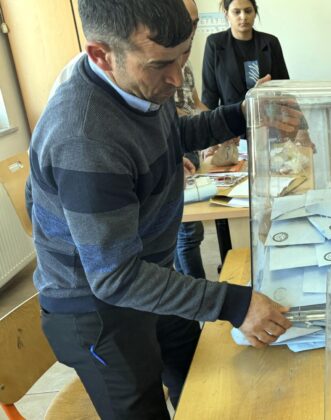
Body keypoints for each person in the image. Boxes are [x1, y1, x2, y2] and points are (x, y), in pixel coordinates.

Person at [26, 1, 299, 417]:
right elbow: (115, 278)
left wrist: (242, 114)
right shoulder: (84, 136)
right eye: (159, 65)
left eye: (184, 56)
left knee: (206, 376)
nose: (176, 78)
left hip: (145, 275)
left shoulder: (134, 83)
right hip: (95, 307)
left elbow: (173, 132)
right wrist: (234, 304)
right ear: (101, 54)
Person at [174, 0, 210, 280]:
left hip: (190, 152)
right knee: (187, 231)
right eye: (188, 21)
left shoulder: (184, 65)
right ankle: (198, 295)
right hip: (176, 150)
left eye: (196, 22)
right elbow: (172, 116)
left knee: (191, 228)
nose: (192, 29)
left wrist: (226, 124)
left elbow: (196, 104)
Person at [201, 0, 287, 109]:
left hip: (266, 118)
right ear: (227, 14)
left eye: (248, 11)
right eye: (236, 12)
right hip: (230, 120)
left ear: (255, 12)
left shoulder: (270, 42)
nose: (243, 17)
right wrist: (209, 124)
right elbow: (209, 96)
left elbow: (284, 89)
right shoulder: (214, 44)